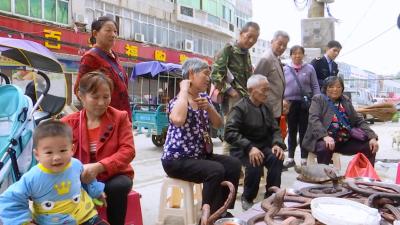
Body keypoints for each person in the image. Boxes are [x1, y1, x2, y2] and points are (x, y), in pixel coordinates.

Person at [161, 58, 241, 217]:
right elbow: (177, 119)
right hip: (176, 160)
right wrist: (184, 89)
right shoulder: (178, 100)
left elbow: (218, 124)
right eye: (205, 74)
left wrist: (210, 107)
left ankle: (221, 211)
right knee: (215, 170)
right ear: (191, 74)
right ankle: (207, 216)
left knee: (233, 164)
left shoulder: (203, 98)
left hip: (199, 156)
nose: (208, 78)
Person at [0, 120, 108, 225]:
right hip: (52, 221)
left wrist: (97, 192)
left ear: (71, 149)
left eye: (63, 150)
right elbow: (9, 199)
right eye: (49, 152)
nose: (56, 157)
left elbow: (87, 178)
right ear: (37, 155)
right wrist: (22, 222)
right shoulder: (32, 177)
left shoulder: (75, 164)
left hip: (85, 215)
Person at [62, 71, 135, 225]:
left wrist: (100, 167)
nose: (102, 102)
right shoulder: (67, 123)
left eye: (106, 97)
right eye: (95, 97)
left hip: (114, 174)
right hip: (80, 177)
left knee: (117, 187)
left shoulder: (120, 117)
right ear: (81, 96)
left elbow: (128, 151)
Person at [224, 74, 286, 211]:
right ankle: (248, 197)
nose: (267, 93)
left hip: (262, 146)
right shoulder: (239, 108)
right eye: (264, 90)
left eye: (267, 89)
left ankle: (272, 196)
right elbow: (229, 133)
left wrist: (277, 144)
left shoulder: (265, 108)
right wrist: (249, 147)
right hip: (242, 149)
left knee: (277, 157)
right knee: (255, 161)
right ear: (251, 90)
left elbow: (275, 129)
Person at [302, 76, 379, 165]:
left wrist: (372, 136)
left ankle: (363, 176)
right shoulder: (318, 99)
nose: (335, 89)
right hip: (322, 140)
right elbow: (314, 119)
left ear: (342, 89)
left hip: (344, 140)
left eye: (338, 87)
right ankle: (323, 176)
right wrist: (325, 136)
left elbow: (358, 120)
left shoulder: (345, 100)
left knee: (369, 146)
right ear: (325, 88)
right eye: (331, 87)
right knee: (324, 147)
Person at [211, 22, 259, 154]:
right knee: (231, 135)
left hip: (246, 101)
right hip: (232, 102)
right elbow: (215, 75)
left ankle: (239, 168)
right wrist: (231, 92)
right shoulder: (228, 50)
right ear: (241, 33)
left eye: (255, 39)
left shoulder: (246, 54)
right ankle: (227, 170)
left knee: (243, 135)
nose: (251, 41)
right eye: (249, 36)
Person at [74, 16, 131, 118]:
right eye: (108, 30)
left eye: (115, 31)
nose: (113, 35)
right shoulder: (90, 57)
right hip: (106, 120)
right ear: (95, 33)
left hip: (123, 118)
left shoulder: (114, 57)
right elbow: (79, 90)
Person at [282, 45, 320, 168]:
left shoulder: (309, 68)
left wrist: (317, 100)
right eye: (294, 53)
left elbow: (315, 86)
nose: (297, 55)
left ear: (304, 55)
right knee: (291, 131)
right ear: (290, 55)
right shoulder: (285, 69)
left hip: (305, 104)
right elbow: (281, 86)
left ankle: (304, 159)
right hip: (290, 104)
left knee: (304, 132)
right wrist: (282, 100)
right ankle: (291, 158)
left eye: (300, 53)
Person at [254, 30, 290, 123]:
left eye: (285, 46)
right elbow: (256, 84)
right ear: (272, 42)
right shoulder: (266, 59)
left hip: (276, 109)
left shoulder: (276, 58)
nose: (282, 47)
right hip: (266, 110)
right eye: (279, 44)